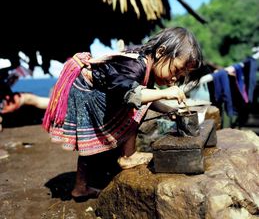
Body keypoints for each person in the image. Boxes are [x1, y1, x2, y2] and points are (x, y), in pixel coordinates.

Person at [42, 27, 203, 201]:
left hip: (94, 89)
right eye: (176, 70)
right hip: (86, 91)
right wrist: (166, 93)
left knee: (89, 143)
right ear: (161, 52)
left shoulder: (147, 65)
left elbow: (146, 95)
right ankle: (128, 156)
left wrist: (169, 109)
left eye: (180, 76)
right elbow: (133, 96)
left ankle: (80, 188)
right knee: (133, 109)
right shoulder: (135, 65)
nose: (174, 79)